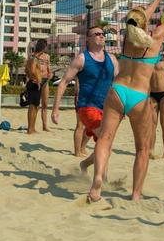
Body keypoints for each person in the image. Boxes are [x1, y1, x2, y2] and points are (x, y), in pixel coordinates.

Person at [88, 0, 164, 202]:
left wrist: (155, 1)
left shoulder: (127, 38)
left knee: (105, 139)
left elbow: (138, 19)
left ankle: (97, 180)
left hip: (118, 91)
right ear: (145, 24)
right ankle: (136, 194)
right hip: (139, 97)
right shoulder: (155, 40)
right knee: (142, 149)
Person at [51, 26, 118, 172]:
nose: (101, 36)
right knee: (105, 142)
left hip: (107, 109)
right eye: (97, 34)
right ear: (88, 39)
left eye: (103, 34)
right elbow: (63, 83)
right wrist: (55, 108)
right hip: (87, 107)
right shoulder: (81, 58)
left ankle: (85, 164)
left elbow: (118, 85)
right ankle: (100, 180)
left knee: (106, 144)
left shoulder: (112, 59)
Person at [24, 43, 44, 134]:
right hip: (34, 84)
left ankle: (32, 128)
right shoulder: (34, 59)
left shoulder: (30, 59)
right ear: (42, 50)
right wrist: (36, 80)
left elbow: (26, 71)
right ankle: (30, 129)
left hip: (33, 83)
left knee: (36, 106)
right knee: (33, 106)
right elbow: (32, 70)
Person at [36, 40, 53, 131]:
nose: (46, 48)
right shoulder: (34, 56)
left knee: (45, 104)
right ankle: (32, 124)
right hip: (36, 81)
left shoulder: (47, 56)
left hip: (45, 81)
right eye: (45, 46)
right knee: (35, 104)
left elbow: (48, 69)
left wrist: (51, 75)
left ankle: (45, 125)